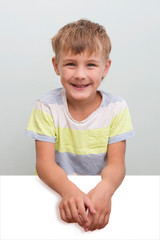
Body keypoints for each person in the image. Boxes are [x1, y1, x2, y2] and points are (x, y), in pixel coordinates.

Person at [25, 19, 135, 232]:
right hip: (57, 191)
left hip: (98, 193)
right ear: (56, 66)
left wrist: (106, 189)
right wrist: (68, 191)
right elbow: (44, 164)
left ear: (106, 67)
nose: (80, 74)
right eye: (70, 64)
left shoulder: (117, 108)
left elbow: (116, 164)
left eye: (91, 64)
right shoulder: (46, 106)